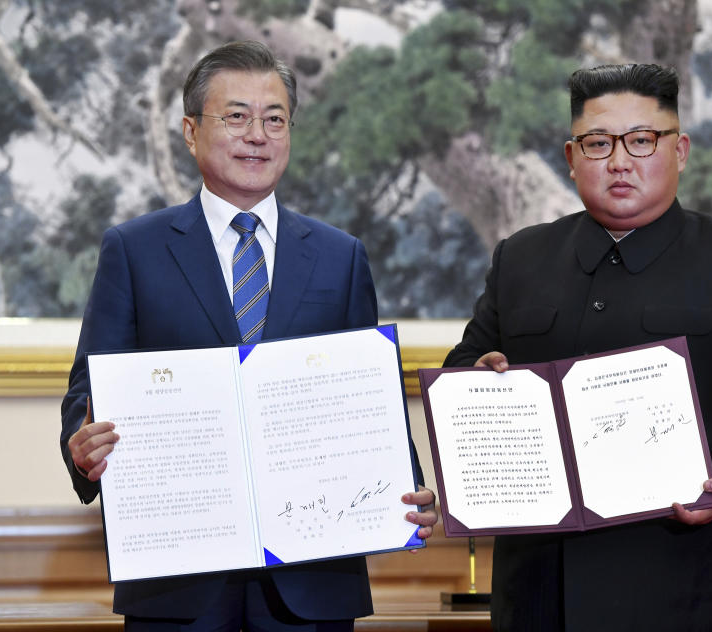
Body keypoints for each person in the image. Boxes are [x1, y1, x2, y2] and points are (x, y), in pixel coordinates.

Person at [60, 40, 437, 631]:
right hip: (177, 584)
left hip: (312, 584)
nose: (257, 134)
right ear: (190, 131)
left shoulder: (341, 257)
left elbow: (373, 399)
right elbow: (87, 392)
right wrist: (82, 447)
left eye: (274, 119)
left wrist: (406, 483)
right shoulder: (134, 250)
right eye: (236, 117)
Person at [444, 63, 712, 631]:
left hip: (689, 587)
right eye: (597, 143)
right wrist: (478, 376)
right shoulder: (521, 259)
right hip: (542, 594)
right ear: (571, 158)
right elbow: (466, 366)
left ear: (680, 150)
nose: (620, 161)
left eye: (642, 141)